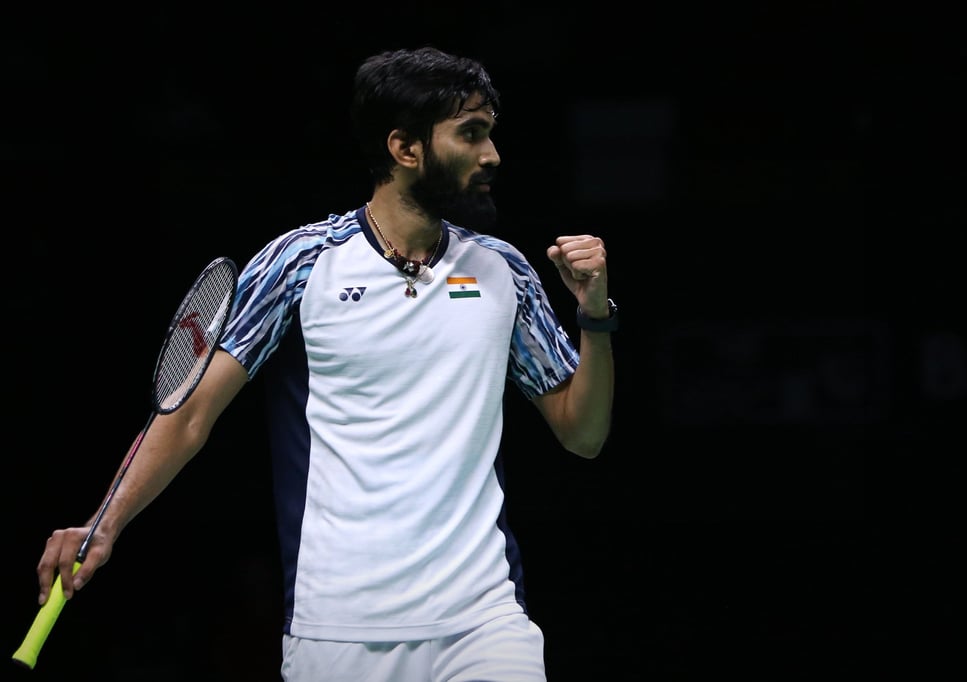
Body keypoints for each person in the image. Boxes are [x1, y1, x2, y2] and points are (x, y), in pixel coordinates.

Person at [34, 46, 616, 681]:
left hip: (483, 620)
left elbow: (582, 434)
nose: (492, 156)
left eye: (491, 134)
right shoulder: (302, 264)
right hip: (337, 629)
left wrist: (594, 315)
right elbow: (189, 412)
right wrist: (104, 523)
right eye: (471, 134)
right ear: (405, 148)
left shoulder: (503, 270)